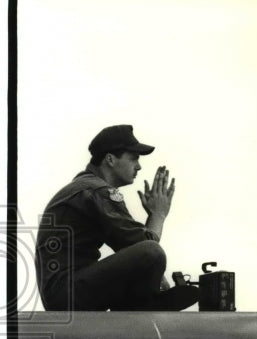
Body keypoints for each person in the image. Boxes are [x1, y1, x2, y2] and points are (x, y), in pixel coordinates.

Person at [35, 124, 199, 311]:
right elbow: (143, 247)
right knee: (152, 252)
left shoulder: (87, 187)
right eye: (133, 159)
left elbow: (129, 247)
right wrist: (158, 214)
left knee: (148, 253)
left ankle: (140, 303)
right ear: (110, 159)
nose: (139, 166)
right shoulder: (97, 191)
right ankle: (142, 305)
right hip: (67, 295)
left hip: (63, 293)